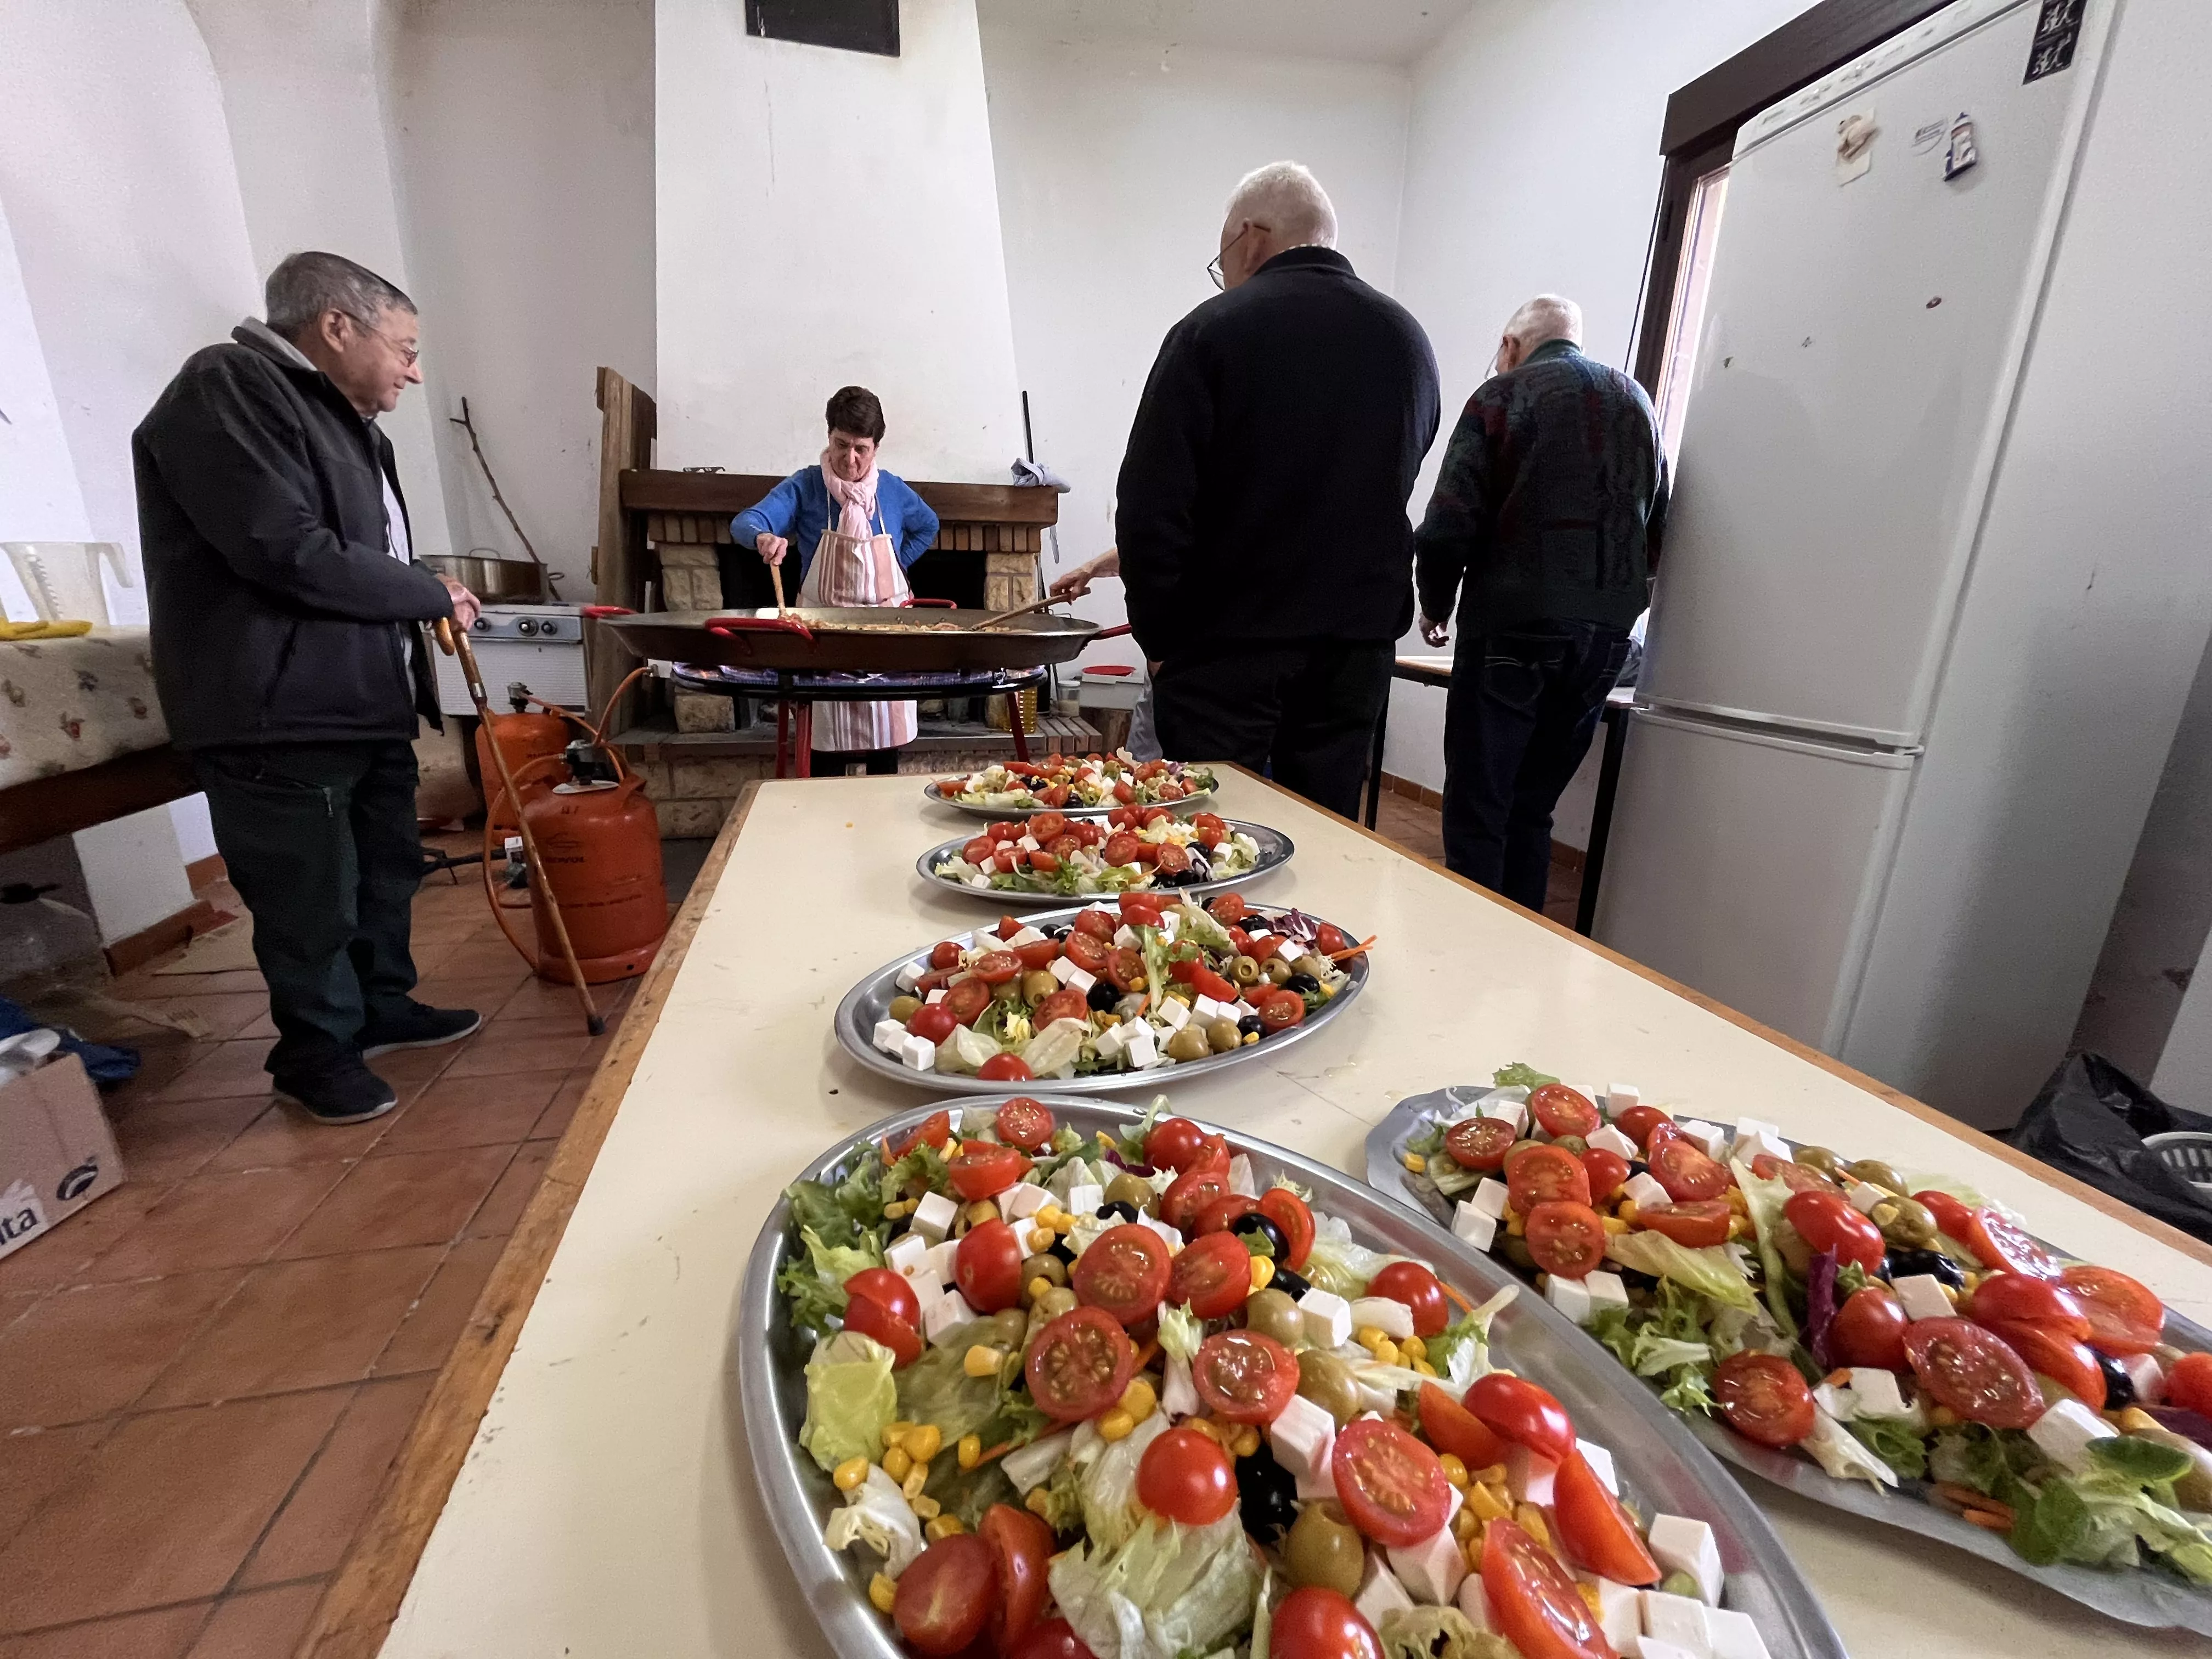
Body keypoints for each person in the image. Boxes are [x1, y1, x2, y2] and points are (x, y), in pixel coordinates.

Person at [134, 251, 483, 1124]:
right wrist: (425, 592)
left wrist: (420, 594)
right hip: (277, 706)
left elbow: (368, 555)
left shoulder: (353, 425)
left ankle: (380, 1007)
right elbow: (282, 547)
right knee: (307, 892)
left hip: (361, 699)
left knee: (385, 869)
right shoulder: (227, 388)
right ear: (336, 326)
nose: (413, 371)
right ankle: (315, 1052)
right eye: (404, 349)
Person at [1114, 161, 1440, 818]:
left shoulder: (1210, 330)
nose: (1226, 273)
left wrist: (1160, 644)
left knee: (1210, 839)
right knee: (1324, 832)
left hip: (1226, 650)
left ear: (1250, 237)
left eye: (1222, 258)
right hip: (1354, 652)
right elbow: (1400, 475)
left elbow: (1151, 507)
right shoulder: (1408, 340)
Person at [1413, 295, 1668, 909]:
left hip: (1513, 623)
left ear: (1510, 345)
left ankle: (1469, 944)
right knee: (1533, 809)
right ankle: (1522, 948)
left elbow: (1449, 522)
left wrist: (1436, 604)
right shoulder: (1638, 402)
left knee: (1480, 807)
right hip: (1604, 637)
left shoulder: (1501, 396)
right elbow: (1657, 526)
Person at [730, 387, 940, 775]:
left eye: (862, 449)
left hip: (884, 639)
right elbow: (746, 521)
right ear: (829, 437)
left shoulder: (893, 490)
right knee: (824, 749)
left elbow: (929, 525)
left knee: (884, 752)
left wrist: (898, 565)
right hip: (823, 641)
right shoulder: (806, 486)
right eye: (841, 445)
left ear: (876, 448)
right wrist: (763, 537)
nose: (850, 458)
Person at [1048, 545, 1163, 763]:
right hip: (1160, 673)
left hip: (1195, 674)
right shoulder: (1156, 537)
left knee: (1198, 772)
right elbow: (1143, 548)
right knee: (1139, 767)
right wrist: (1090, 569)